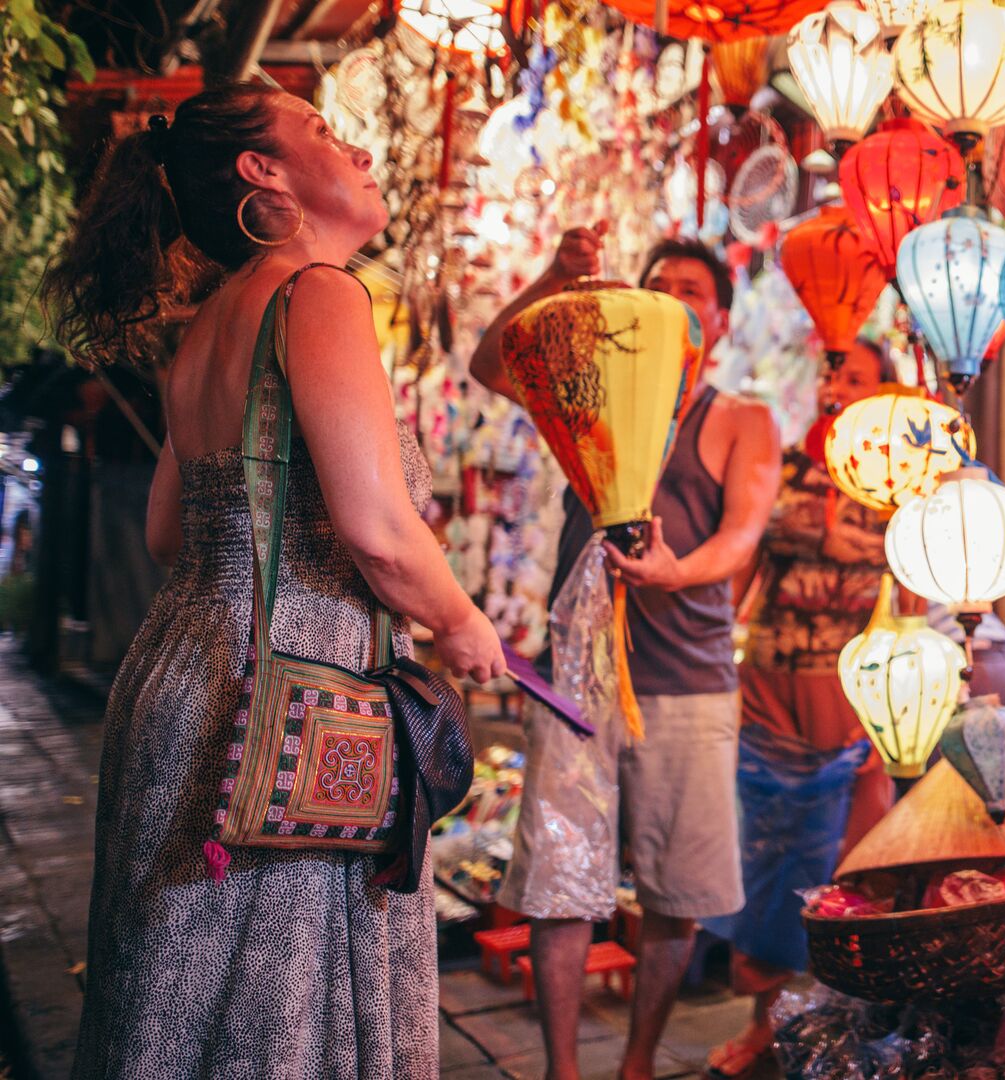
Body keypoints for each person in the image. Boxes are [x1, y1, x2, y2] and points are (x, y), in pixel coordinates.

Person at [43, 84, 509, 1078]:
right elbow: (380, 530)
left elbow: (172, 529)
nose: (363, 153)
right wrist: (463, 619)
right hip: (298, 693)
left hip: (185, 672)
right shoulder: (318, 293)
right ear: (265, 172)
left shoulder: (215, 317)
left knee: (171, 995)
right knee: (277, 1013)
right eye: (326, 133)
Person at [471, 230, 781, 1080]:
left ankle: (637, 1061)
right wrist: (554, 278)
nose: (675, 295)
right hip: (576, 680)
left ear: (712, 320)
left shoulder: (742, 419)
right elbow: (492, 366)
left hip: (688, 684)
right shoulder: (586, 399)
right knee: (560, 884)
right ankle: (564, 1069)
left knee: (677, 894)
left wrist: (677, 572)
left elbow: (741, 535)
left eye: (693, 288)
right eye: (658, 284)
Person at [705, 340, 898, 1076]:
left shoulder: (898, 481)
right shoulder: (780, 465)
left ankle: (842, 1032)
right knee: (772, 880)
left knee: (854, 879)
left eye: (856, 376)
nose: (837, 385)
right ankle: (765, 1026)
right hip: (773, 696)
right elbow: (740, 571)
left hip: (862, 706)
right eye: (831, 373)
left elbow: (916, 594)